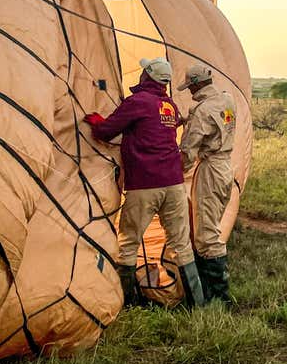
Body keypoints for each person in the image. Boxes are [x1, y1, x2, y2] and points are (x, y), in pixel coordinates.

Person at [84, 57, 205, 309]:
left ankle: (127, 302)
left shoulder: (138, 102)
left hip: (144, 185)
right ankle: (196, 304)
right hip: (173, 183)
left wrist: (95, 121)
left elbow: (106, 131)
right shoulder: (169, 105)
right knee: (180, 242)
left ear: (146, 76)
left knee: (128, 241)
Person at [177, 61, 236, 304]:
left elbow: (188, 151)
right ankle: (214, 292)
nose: (189, 91)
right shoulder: (226, 99)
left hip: (210, 170)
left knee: (205, 234)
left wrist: (173, 174)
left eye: (190, 87)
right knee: (212, 225)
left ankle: (218, 297)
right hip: (226, 167)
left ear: (197, 84)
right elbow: (216, 121)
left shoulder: (202, 112)